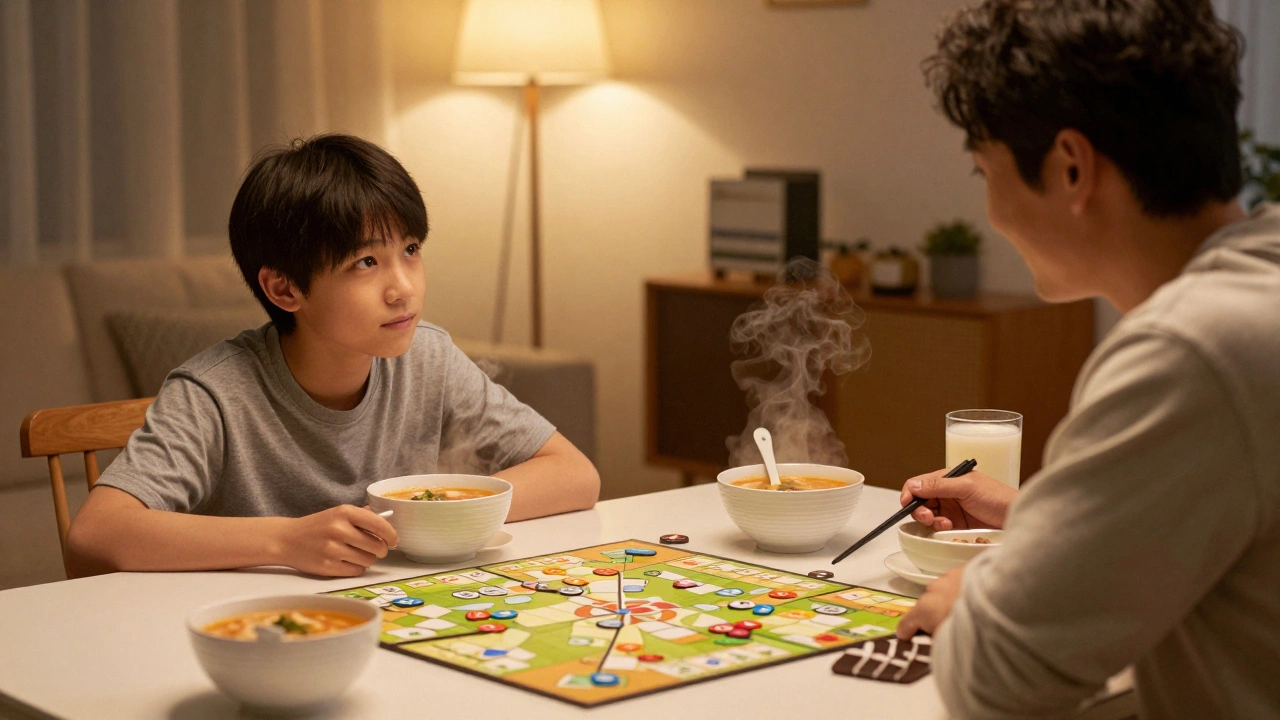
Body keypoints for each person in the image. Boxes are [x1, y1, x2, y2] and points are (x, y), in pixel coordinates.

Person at [892, 1, 1280, 717]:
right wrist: (1043, 519)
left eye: (985, 174)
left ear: (1071, 167)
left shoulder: (1190, 347)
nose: (989, 211)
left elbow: (1000, 680)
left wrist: (974, 591)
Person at [65, 134, 600, 579]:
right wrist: (286, 540)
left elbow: (574, 474)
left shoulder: (428, 358)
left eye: (410, 251)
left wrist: (416, 517)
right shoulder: (216, 392)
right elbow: (97, 533)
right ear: (284, 290)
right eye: (366, 261)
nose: (403, 289)